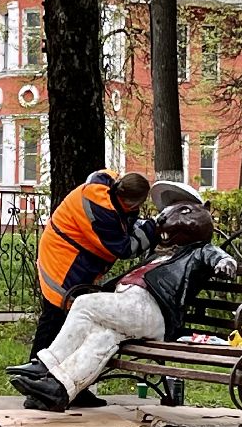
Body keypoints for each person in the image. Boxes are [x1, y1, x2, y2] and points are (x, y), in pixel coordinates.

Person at [9, 185, 237, 412]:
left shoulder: (198, 251)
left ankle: (47, 363)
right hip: (131, 308)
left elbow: (217, 255)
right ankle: (56, 390)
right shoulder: (160, 253)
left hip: (151, 310)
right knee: (102, 338)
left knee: (85, 304)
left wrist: (225, 263)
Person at [12, 169, 157, 407]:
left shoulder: (105, 184)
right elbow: (124, 248)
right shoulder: (103, 212)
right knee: (55, 319)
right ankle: (36, 385)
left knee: (74, 322)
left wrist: (135, 222)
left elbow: (119, 215)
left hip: (70, 255)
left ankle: (69, 386)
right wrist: (151, 230)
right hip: (64, 262)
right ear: (131, 202)